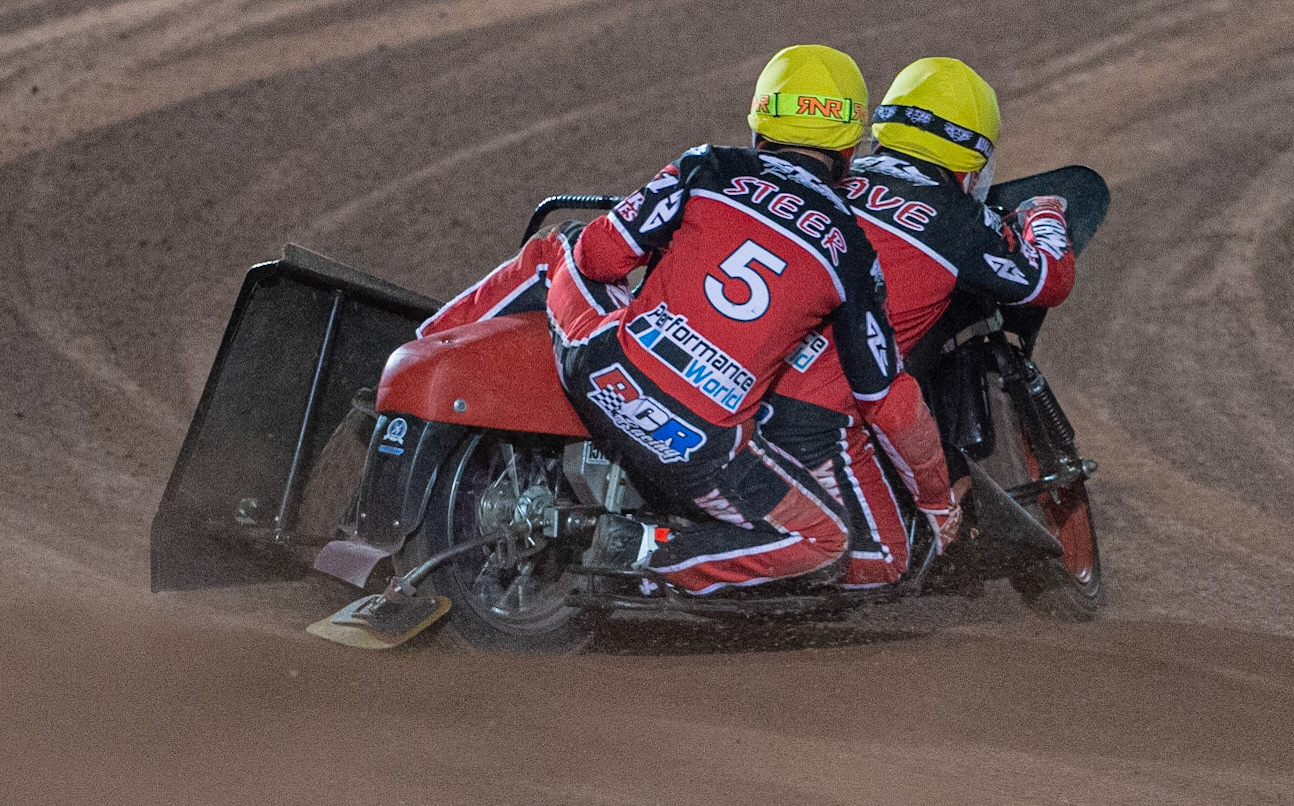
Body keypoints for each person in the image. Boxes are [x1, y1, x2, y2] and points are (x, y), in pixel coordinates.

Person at [418, 45, 959, 595]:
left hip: (601, 373)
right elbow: (887, 400)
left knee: (561, 247)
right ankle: (650, 556)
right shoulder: (855, 252)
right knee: (824, 542)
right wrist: (937, 499)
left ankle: (424, 349)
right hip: (697, 448)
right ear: (851, 142)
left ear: (761, 121)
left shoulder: (707, 165)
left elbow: (599, 260)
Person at [762, 56, 1076, 588]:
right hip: (833, 403)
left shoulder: (831, 176)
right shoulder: (960, 220)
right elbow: (1049, 281)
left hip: (740, 362)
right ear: (974, 158)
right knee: (889, 561)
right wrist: (1042, 214)